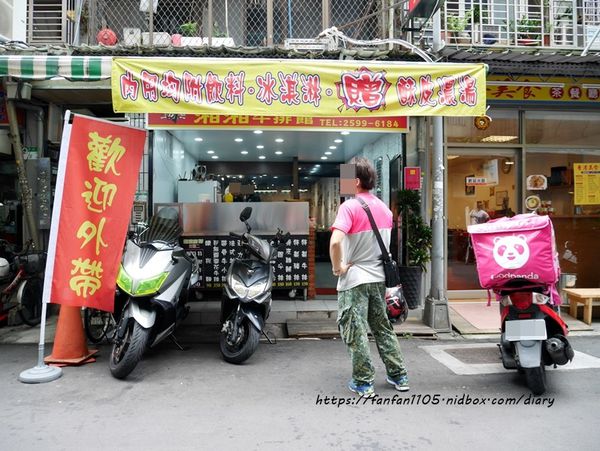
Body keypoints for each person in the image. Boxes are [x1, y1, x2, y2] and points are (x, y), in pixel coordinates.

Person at [329, 157, 409, 398]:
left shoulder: (349, 207)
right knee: (382, 327)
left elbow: (335, 242)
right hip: (379, 279)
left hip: (355, 279)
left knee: (355, 330)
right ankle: (399, 375)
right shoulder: (384, 209)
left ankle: (363, 382)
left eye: (346, 178)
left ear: (355, 181)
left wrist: (338, 268)